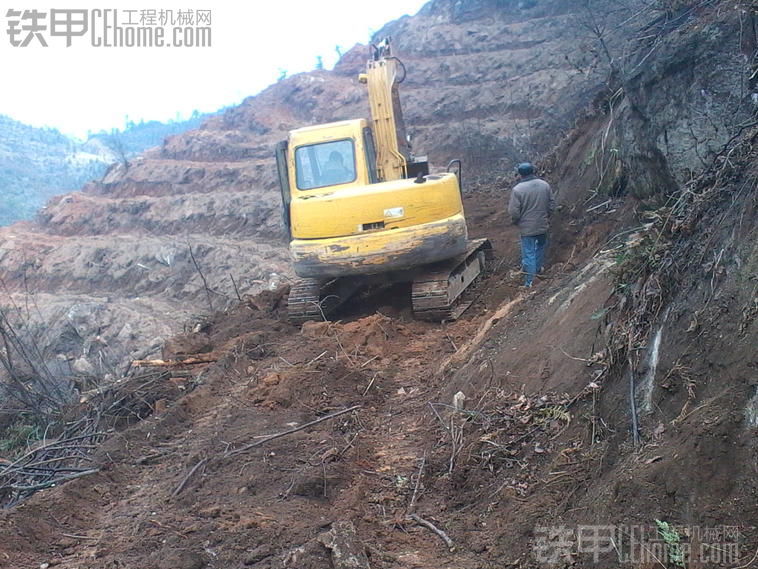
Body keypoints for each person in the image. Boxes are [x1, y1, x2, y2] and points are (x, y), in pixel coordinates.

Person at [508, 162, 555, 287]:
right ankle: (538, 270)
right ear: (533, 171)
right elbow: (551, 205)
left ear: (519, 174)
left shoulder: (518, 190)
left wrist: (516, 221)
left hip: (527, 228)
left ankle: (530, 282)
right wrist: (546, 217)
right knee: (540, 247)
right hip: (542, 224)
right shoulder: (544, 185)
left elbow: (514, 212)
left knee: (529, 254)